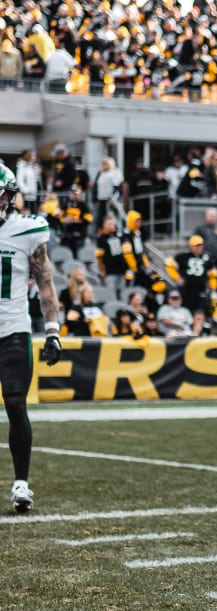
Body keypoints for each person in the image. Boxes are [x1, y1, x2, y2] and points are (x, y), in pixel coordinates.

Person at [0, 165, 61, 511]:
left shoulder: (27, 231)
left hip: (12, 329)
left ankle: (21, 483)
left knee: (14, 401)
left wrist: (52, 330)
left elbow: (46, 283)